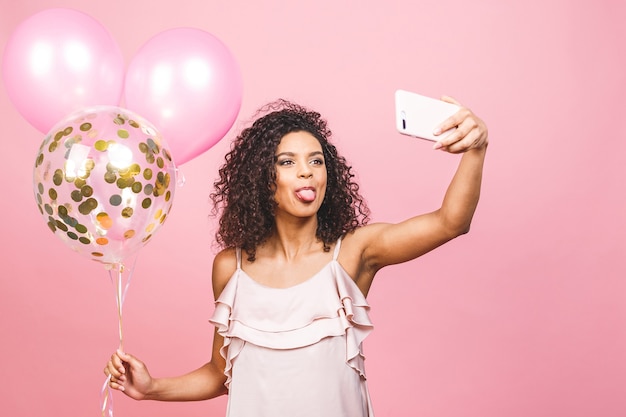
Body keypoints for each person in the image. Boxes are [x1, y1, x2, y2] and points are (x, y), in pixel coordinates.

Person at [104, 96, 489, 416]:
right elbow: (222, 375)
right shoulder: (230, 268)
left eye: (316, 161)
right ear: (261, 178)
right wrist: (152, 388)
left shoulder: (354, 252)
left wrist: (476, 148)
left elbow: (450, 222)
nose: (307, 172)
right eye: (287, 162)